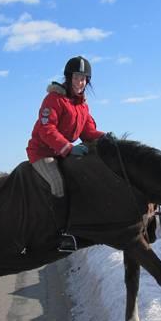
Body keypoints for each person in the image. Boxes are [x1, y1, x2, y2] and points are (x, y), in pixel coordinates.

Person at [26, 55, 104, 251]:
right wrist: (69, 148)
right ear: (69, 78)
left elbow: (88, 132)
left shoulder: (82, 106)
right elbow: (47, 130)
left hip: (62, 153)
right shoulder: (53, 99)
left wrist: (105, 138)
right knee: (58, 183)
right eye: (77, 77)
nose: (80, 82)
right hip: (42, 152)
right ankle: (61, 234)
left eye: (84, 78)